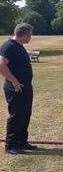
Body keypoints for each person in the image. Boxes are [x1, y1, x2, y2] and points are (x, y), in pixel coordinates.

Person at [0, 23, 37, 154]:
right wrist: (14, 81)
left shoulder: (19, 46)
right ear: (24, 34)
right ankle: (10, 145)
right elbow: (1, 65)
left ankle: (22, 141)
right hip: (15, 88)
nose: (31, 37)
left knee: (25, 114)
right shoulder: (9, 46)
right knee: (16, 116)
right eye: (30, 34)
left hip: (25, 87)